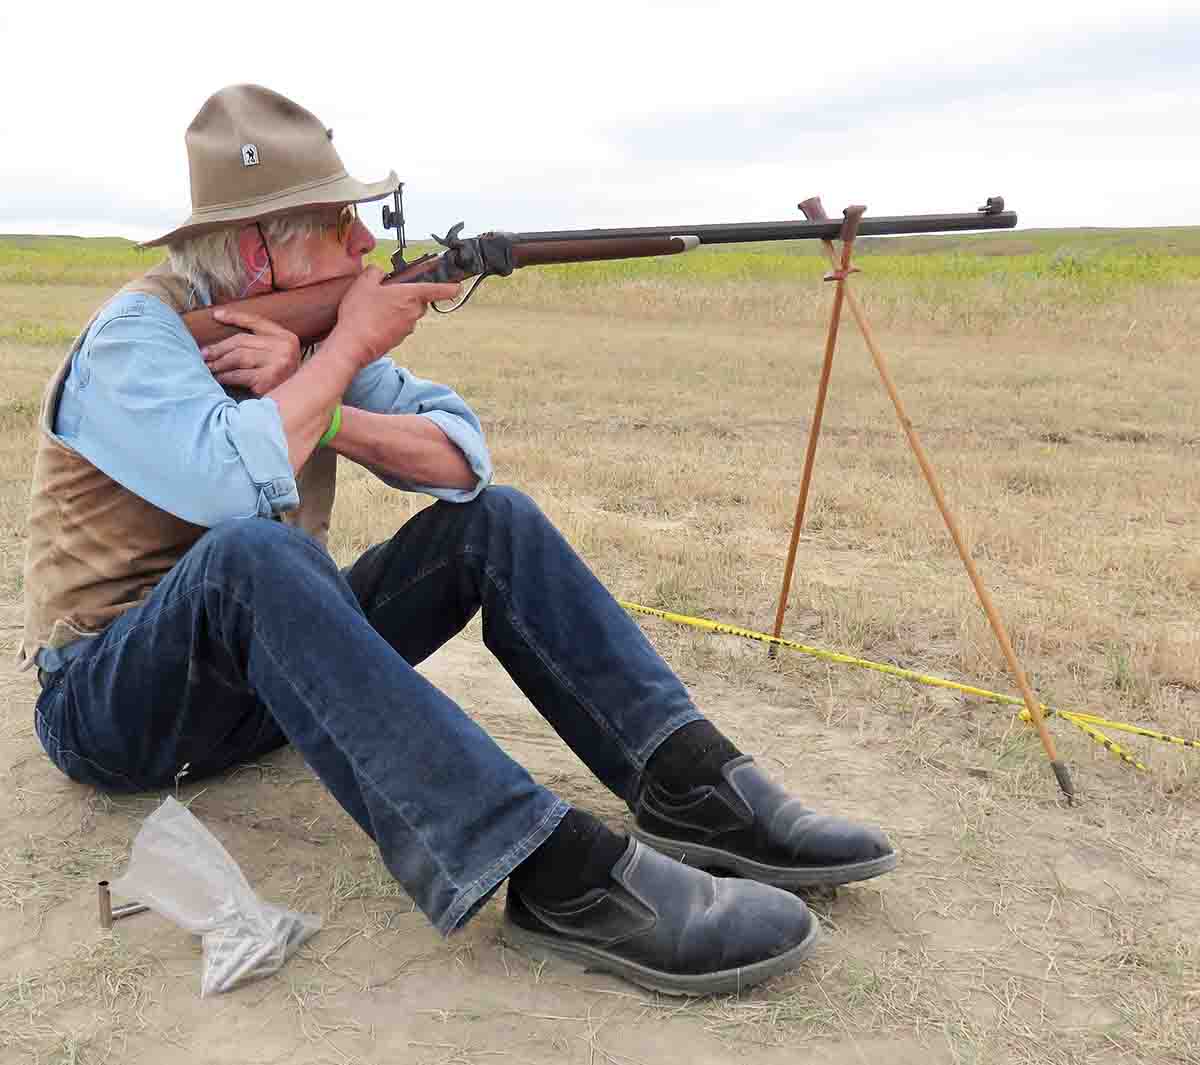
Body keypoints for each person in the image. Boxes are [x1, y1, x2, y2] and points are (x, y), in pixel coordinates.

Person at [21, 85, 896, 996]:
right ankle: (561, 879)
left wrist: (331, 399)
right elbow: (228, 486)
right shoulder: (135, 339)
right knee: (254, 556)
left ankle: (689, 781)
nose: (367, 246)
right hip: (110, 708)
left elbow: (459, 458)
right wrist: (342, 355)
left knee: (496, 521)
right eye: (339, 224)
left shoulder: (314, 336)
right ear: (255, 250)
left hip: (263, 693)